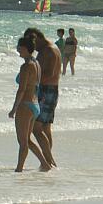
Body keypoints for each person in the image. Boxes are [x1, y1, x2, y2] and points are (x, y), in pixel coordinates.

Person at [9, 35, 51, 172]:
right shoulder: (36, 64)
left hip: (25, 105)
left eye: (19, 47)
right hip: (35, 105)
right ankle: (45, 164)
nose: (17, 50)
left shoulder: (26, 66)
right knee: (27, 140)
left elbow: (21, 89)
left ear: (26, 48)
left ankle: (19, 169)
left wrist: (14, 109)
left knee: (22, 142)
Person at [23, 28, 61, 169]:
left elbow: (49, 73)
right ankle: (46, 160)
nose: (32, 47)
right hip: (51, 90)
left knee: (36, 128)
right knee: (45, 128)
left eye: (31, 42)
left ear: (37, 38)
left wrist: (32, 82)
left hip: (46, 91)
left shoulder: (48, 51)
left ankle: (48, 161)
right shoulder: (51, 48)